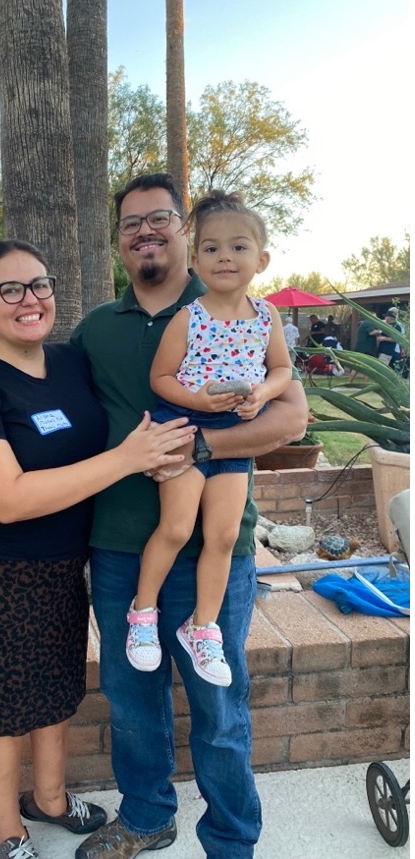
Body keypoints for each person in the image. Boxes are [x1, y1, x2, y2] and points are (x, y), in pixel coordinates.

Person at [0, 239, 193, 859]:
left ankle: (49, 799)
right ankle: (5, 834)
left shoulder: (72, 363)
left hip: (60, 569)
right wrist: (126, 459)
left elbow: (130, 408)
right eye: (9, 289)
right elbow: (8, 499)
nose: (30, 300)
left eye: (39, 285)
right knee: (0, 712)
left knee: (55, 695)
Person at [70, 173, 307, 859]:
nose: (145, 231)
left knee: (218, 706)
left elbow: (291, 417)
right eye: (131, 223)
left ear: (184, 232)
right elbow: (53, 405)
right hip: (119, 544)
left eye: (160, 219)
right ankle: (147, 817)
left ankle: (231, 841)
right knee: (131, 699)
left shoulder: (237, 307)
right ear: (119, 240)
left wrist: (200, 445)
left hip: (215, 547)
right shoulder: (95, 329)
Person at [125, 191, 292, 685]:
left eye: (239, 247)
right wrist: (197, 399)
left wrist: (262, 394)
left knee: (222, 535)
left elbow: (281, 370)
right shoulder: (190, 316)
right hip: (185, 427)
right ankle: (143, 613)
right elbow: (161, 378)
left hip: (235, 435)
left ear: (261, 260)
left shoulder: (266, 316)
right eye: (212, 248)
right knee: (177, 528)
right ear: (196, 260)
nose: (225, 257)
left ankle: (202, 628)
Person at [347, 317, 378, 384]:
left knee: (357, 366)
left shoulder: (364, 323)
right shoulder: (368, 323)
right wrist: (381, 331)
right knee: (367, 367)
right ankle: (364, 383)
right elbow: (371, 332)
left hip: (362, 349)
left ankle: (350, 382)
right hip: (366, 349)